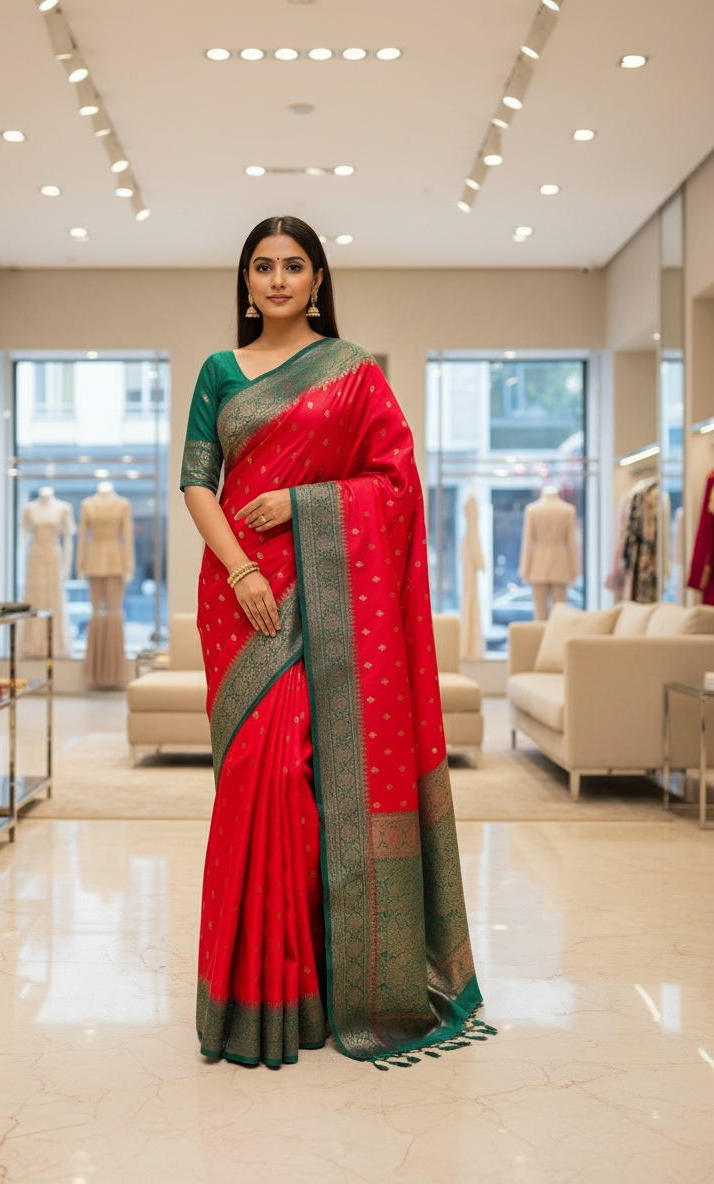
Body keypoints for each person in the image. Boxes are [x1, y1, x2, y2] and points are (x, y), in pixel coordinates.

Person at [181, 215, 484, 1067]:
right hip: (239, 594)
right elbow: (197, 483)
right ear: (246, 282)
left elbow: (395, 484)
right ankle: (248, 998)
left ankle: (315, 988)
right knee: (252, 778)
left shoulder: (353, 373)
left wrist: (304, 503)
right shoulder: (218, 371)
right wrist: (242, 568)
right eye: (263, 266)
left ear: (317, 280)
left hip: (328, 596)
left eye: (294, 265)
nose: (278, 279)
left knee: (302, 783)